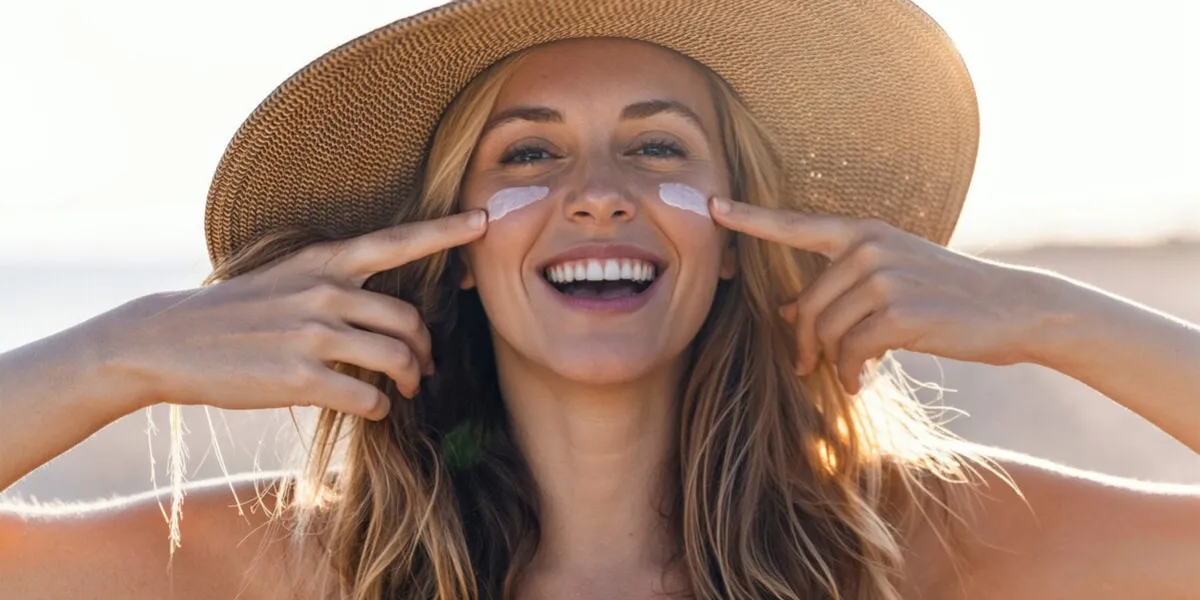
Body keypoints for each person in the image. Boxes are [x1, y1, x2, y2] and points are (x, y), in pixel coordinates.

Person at [2, 1, 1199, 599]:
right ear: (453, 250)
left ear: (739, 238)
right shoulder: (314, 563)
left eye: (660, 149)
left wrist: (1058, 319)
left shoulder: (909, 548)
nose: (597, 195)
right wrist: (127, 353)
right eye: (527, 156)